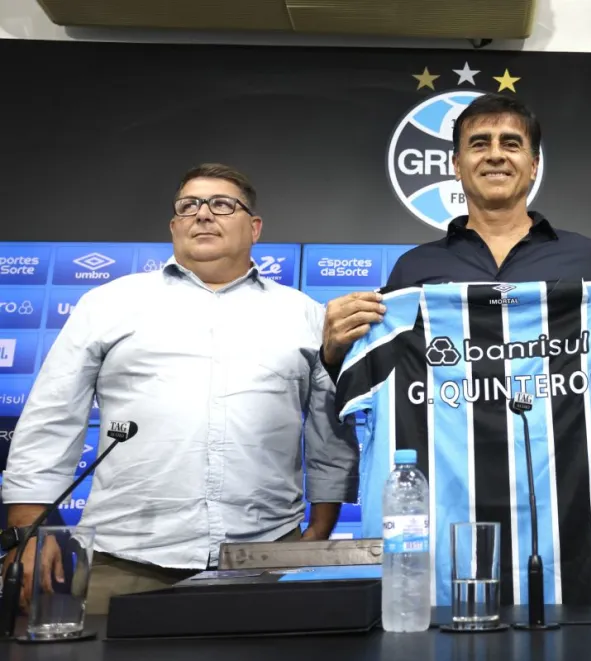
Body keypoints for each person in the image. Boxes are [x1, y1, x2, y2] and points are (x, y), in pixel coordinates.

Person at [321, 93, 591, 604]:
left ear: (533, 164)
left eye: (511, 143)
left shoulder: (589, 260)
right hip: (453, 512)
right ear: (456, 165)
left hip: (572, 513)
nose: (495, 154)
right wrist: (334, 350)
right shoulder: (413, 271)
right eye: (479, 144)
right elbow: (367, 385)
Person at [2, 164, 358, 614]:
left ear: (254, 228)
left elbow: (329, 426)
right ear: (174, 226)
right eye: (189, 206)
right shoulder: (108, 304)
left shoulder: (304, 314)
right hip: (125, 560)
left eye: (222, 205)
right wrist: (28, 529)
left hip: (266, 555)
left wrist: (320, 528)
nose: (203, 214)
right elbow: (53, 415)